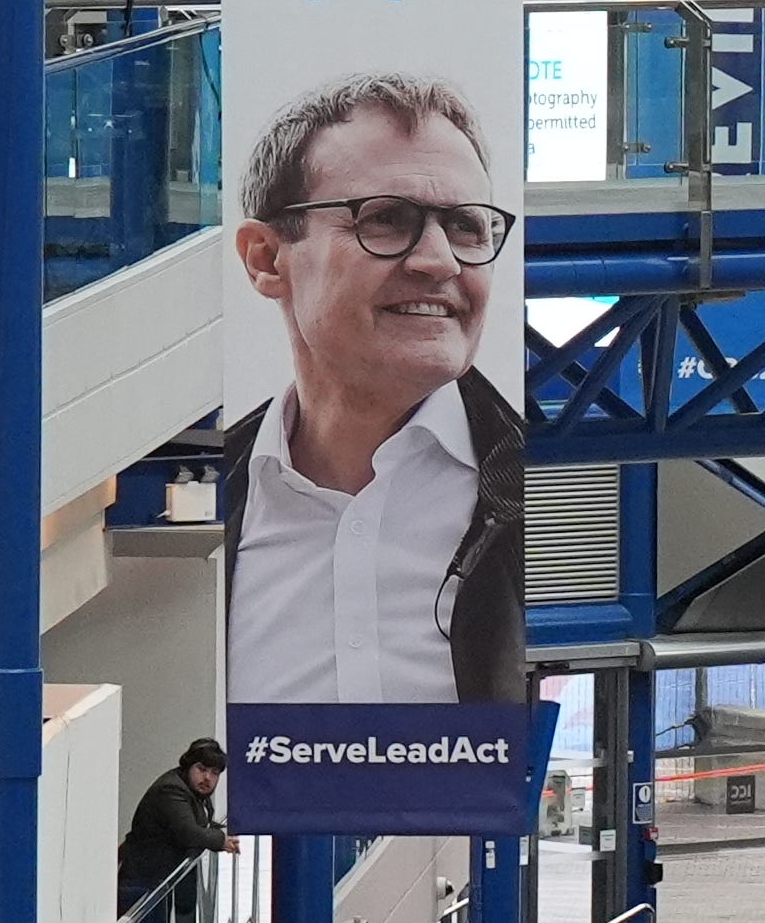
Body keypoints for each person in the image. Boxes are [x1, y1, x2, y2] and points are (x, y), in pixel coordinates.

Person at [220, 70, 536, 715]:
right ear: (265, 258)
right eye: (386, 220)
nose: (440, 261)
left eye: (468, 227)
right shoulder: (191, 497)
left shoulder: (540, 483)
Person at [126, 736, 232, 912]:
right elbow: (189, 832)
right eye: (202, 769)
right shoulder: (171, 790)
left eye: (214, 773)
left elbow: (201, 824)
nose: (207, 777)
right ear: (188, 766)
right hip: (146, 884)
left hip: (166, 881)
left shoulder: (196, 793)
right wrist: (221, 841)